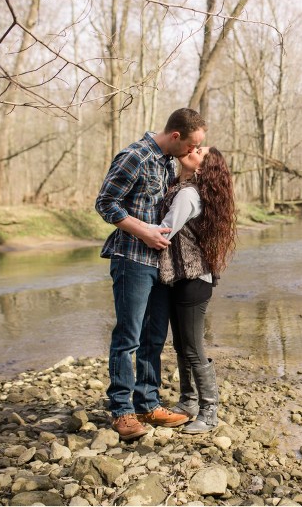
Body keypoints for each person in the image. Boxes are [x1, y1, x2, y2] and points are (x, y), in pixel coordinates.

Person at [95, 108, 207, 441]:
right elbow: (105, 203)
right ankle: (121, 411)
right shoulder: (135, 156)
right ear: (176, 136)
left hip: (160, 264)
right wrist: (142, 231)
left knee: (153, 338)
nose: (192, 152)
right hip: (131, 258)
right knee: (128, 337)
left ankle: (147, 403)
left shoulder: (168, 162)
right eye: (192, 145)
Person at [154, 147, 236, 434]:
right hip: (181, 278)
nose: (193, 149)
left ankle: (210, 411)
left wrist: (130, 227)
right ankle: (188, 402)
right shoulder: (180, 187)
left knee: (192, 348)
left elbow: (164, 231)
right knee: (181, 346)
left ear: (201, 168)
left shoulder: (188, 194)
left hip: (192, 281)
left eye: (199, 151)